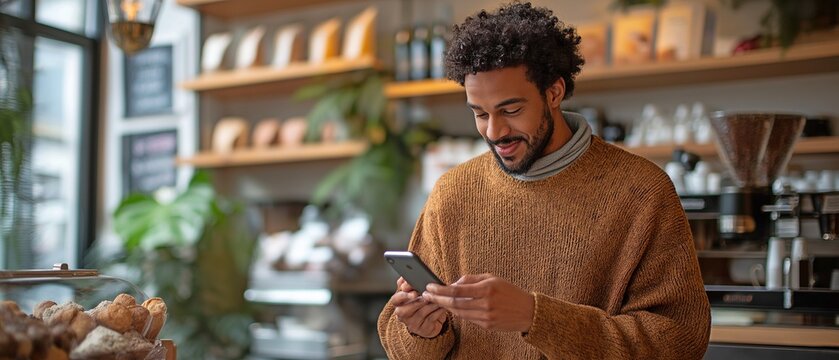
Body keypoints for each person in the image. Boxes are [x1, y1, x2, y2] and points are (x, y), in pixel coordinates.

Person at [377, 2, 711, 359]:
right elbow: (399, 342)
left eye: (511, 110)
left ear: (554, 92)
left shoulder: (642, 191)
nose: (495, 131)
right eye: (480, 113)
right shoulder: (452, 192)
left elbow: (680, 341)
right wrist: (423, 332)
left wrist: (536, 317)